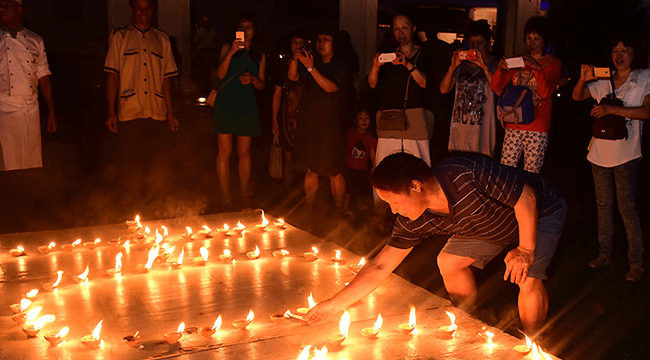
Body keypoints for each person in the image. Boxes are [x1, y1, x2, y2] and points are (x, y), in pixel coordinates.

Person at [305, 152, 567, 337]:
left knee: (528, 277)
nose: (394, 210)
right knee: (449, 261)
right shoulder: (413, 219)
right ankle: (468, 318)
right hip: (485, 225)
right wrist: (333, 305)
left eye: (393, 201)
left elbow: (526, 197)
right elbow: (379, 266)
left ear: (415, 186)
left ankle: (532, 342)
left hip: (539, 212)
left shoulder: (467, 173)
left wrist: (525, 249)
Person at [572, 35, 649, 281]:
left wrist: (611, 109)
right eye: (616, 50)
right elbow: (577, 96)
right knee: (603, 206)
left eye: (625, 50)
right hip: (598, 152)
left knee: (626, 207)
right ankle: (604, 253)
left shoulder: (644, 77)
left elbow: (646, 111)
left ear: (634, 54)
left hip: (626, 153)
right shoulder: (604, 79)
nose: (619, 54)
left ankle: (636, 262)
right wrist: (583, 79)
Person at [290, 27, 352, 213]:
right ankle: (309, 208)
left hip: (331, 124)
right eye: (318, 39)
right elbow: (292, 77)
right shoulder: (311, 61)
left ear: (335, 44)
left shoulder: (342, 65)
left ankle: (339, 211)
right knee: (310, 168)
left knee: (334, 170)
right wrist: (295, 59)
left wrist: (311, 68)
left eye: (326, 39)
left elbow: (331, 87)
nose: (321, 43)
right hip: (309, 123)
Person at [491, 16, 561, 173]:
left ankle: (530, 197)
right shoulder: (519, 61)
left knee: (531, 173)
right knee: (506, 170)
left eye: (536, 38)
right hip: (514, 121)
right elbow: (496, 86)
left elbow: (545, 92)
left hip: (537, 124)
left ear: (545, 40)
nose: (532, 42)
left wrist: (537, 69)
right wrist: (501, 69)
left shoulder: (552, 63)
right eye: (528, 38)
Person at [213, 11, 265, 206]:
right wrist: (232, 52)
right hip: (226, 102)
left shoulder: (259, 54)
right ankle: (225, 194)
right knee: (224, 151)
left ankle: (243, 192)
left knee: (245, 152)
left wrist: (252, 79)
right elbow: (220, 74)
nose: (245, 31)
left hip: (246, 104)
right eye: (241, 27)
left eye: (249, 27)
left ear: (255, 30)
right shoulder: (228, 47)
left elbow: (263, 84)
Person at [368, 10, 432, 168]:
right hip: (389, 116)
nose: (400, 32)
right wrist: (375, 67)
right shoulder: (388, 53)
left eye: (404, 27)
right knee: (386, 164)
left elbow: (424, 83)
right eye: (396, 28)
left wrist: (407, 64)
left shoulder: (424, 53)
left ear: (413, 28)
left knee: (418, 164)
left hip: (414, 115)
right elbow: (372, 84)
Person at [0, 0, 57, 171]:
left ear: (19, 9)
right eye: (0, 5)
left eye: (6, 6)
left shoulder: (35, 40)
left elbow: (44, 77)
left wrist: (51, 112)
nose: (1, 9)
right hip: (4, 109)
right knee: (8, 165)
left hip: (31, 109)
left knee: (31, 164)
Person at [440, 20, 498, 158]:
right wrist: (452, 66)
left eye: (479, 43)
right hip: (460, 134)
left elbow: (498, 89)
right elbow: (444, 89)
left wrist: (484, 67)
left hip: (482, 134)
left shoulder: (495, 64)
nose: (475, 47)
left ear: (488, 44)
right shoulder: (462, 66)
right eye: (471, 44)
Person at [271, 31, 306, 189]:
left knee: (306, 158)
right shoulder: (282, 66)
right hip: (286, 118)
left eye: (301, 42)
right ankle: (287, 190)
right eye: (294, 42)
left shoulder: (309, 65)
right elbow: (277, 95)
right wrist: (274, 120)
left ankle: (305, 195)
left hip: (305, 117)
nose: (297, 45)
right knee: (288, 157)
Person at [342, 105, 377, 216]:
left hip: (362, 168)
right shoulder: (350, 134)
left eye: (366, 118)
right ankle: (345, 207)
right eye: (361, 118)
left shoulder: (370, 138)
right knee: (348, 189)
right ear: (355, 120)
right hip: (350, 166)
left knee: (361, 188)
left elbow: (372, 151)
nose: (364, 121)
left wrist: (374, 165)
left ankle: (359, 205)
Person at [192, 16, 219, 94]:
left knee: (210, 71)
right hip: (202, 53)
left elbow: (216, 42)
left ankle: (210, 88)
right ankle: (203, 88)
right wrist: (196, 52)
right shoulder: (199, 31)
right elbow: (196, 42)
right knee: (203, 71)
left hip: (211, 53)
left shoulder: (213, 31)